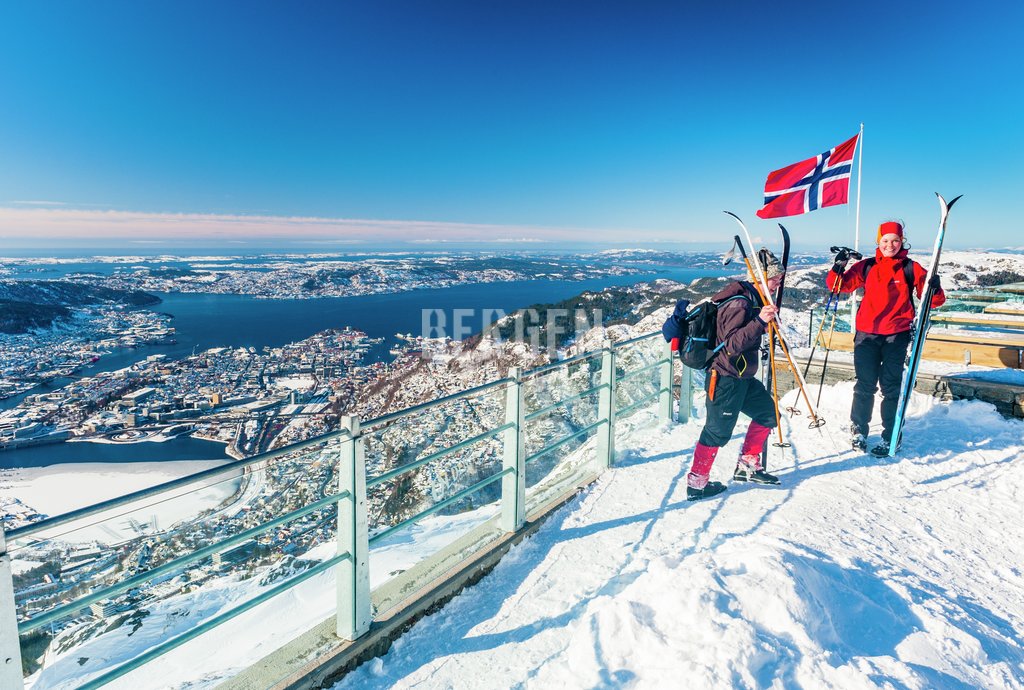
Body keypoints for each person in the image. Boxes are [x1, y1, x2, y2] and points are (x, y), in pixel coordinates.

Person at [827, 220, 945, 456]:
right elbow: (838, 286)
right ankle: (859, 430)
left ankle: (891, 434)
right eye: (885, 240)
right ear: (878, 242)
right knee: (864, 385)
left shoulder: (911, 268)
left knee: (891, 387)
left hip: (896, 335)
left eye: (895, 240)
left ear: (902, 242)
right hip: (866, 335)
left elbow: (933, 300)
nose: (890, 245)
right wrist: (838, 267)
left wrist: (935, 287)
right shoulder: (867, 266)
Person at [686, 248, 784, 501]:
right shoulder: (740, 302)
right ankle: (696, 485)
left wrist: (762, 320)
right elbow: (731, 345)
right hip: (725, 378)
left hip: (743, 377)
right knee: (716, 432)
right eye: (775, 278)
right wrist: (760, 321)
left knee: (768, 414)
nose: (779, 282)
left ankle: (748, 465)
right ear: (761, 277)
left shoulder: (753, 298)